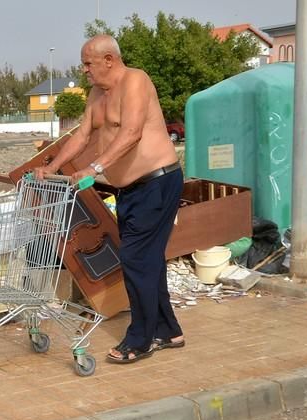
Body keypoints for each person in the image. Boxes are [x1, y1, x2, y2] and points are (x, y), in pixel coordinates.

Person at [34, 34, 185, 363]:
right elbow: (83, 135)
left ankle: (141, 338)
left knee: (135, 260)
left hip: (158, 183)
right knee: (148, 259)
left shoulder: (135, 81)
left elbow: (131, 133)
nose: (84, 70)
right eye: (83, 64)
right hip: (130, 189)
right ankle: (168, 329)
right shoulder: (96, 95)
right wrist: (53, 165)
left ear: (109, 60)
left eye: (88, 63)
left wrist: (95, 167)